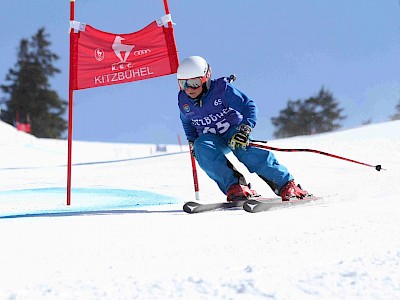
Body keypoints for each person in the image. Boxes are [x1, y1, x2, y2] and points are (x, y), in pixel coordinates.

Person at [177, 56, 309, 201]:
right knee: (201, 147)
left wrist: (245, 129)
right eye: (183, 83)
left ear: (206, 77)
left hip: (234, 132)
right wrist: (192, 141)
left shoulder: (222, 90)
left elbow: (248, 106)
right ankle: (236, 187)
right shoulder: (184, 101)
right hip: (212, 139)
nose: (188, 89)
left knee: (244, 150)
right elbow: (187, 122)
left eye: (194, 83)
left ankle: (286, 184)